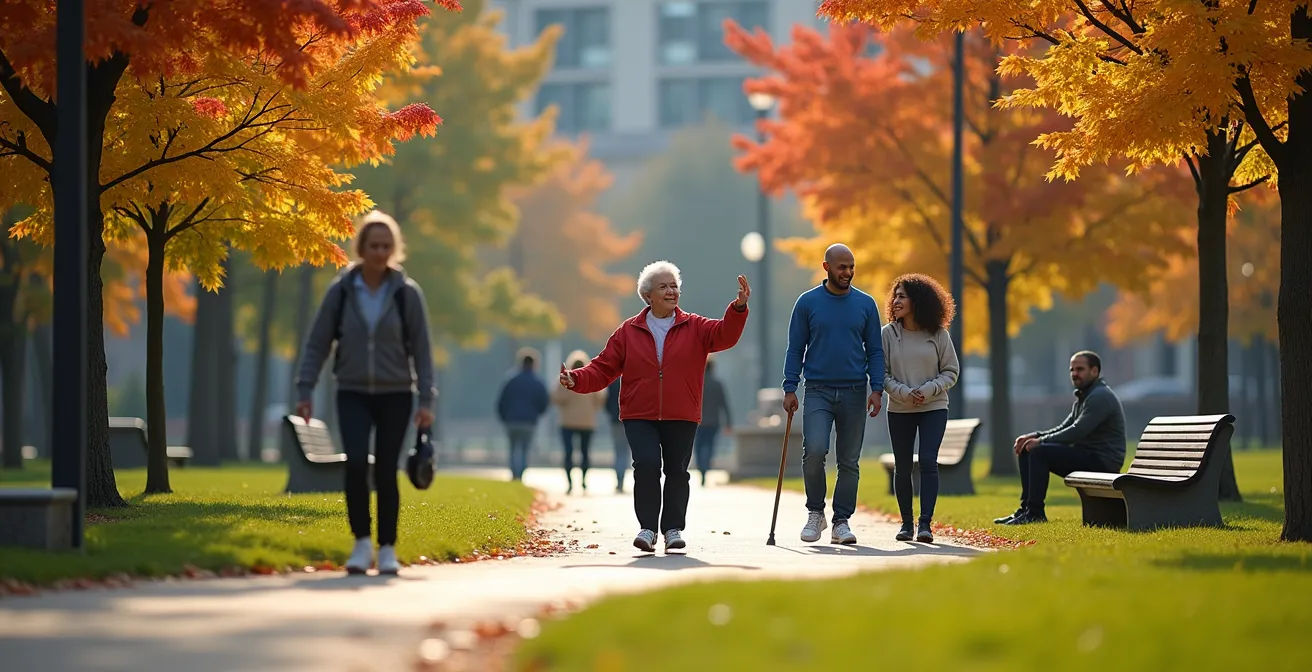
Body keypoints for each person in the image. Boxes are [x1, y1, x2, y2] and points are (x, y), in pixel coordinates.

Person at [559, 261, 750, 553]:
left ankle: (672, 529)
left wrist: (737, 309)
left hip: (682, 412)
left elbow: (725, 334)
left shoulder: (696, 326)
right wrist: (576, 379)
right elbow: (603, 368)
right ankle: (647, 529)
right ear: (647, 295)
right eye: (664, 286)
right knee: (646, 466)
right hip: (639, 414)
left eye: (674, 286)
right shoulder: (628, 331)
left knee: (677, 471)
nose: (672, 291)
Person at [295, 210, 435, 575]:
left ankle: (386, 548)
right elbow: (317, 343)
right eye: (373, 245)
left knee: (386, 469)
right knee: (356, 463)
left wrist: (426, 400)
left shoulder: (408, 294)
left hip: (396, 394)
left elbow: (422, 349)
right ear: (361, 247)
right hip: (352, 390)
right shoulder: (341, 291)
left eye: (386, 246)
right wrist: (305, 388)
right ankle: (361, 544)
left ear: (394, 249)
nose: (379, 252)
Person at [783, 243, 884, 545]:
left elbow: (876, 351)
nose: (848, 272)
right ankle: (816, 513)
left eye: (851, 266)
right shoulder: (807, 303)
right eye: (842, 267)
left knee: (849, 461)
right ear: (826, 267)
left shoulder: (866, 305)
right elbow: (795, 348)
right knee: (814, 451)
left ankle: (842, 521)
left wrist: (877, 388)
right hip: (818, 390)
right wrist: (790, 386)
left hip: (855, 390)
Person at [995, 351, 1127, 525]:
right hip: (1087, 455)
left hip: (1103, 461)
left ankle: (1035, 513)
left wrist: (1041, 441)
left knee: (1039, 452)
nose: (1074, 374)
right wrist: (1035, 436)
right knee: (1028, 449)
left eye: (1080, 369)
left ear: (1094, 371)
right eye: (1072, 369)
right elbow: (1064, 427)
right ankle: (1026, 510)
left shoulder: (1100, 397)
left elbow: (1076, 431)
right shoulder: (1084, 396)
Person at [882, 274, 960, 543]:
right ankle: (906, 524)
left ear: (919, 300)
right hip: (899, 409)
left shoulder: (939, 335)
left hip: (934, 407)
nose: (896, 301)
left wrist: (927, 390)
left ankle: (925, 524)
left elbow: (951, 371)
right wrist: (904, 392)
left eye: (902, 296)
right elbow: (881, 374)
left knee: (928, 461)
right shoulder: (888, 334)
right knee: (902, 466)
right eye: (895, 296)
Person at [552, 349, 607, 494]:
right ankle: (583, 480)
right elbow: (599, 399)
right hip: (587, 422)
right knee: (585, 452)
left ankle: (570, 482)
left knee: (568, 452)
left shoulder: (564, 379)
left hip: (567, 422)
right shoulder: (591, 378)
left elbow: (557, 399)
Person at [496, 347, 550, 482]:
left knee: (513, 448)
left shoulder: (511, 380)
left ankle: (514, 473)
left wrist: (504, 416)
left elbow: (502, 400)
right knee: (525, 449)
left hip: (512, 420)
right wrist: (538, 414)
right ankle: (520, 474)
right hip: (529, 421)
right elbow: (544, 402)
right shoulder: (538, 382)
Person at [695, 356, 733, 486]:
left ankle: (701, 469)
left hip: (697, 421)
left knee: (698, 446)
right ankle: (706, 467)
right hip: (713, 422)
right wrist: (728, 423)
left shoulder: (696, 383)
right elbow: (724, 405)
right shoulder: (718, 384)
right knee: (709, 445)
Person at [605, 377, 626, 493]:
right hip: (631, 420)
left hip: (615, 420)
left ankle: (619, 479)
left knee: (618, 450)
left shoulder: (613, 382)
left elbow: (607, 402)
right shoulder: (635, 377)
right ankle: (621, 478)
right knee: (625, 452)